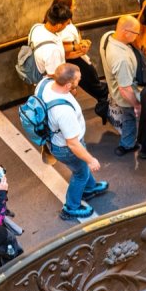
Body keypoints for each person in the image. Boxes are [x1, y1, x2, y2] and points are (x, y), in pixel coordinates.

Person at [32, 60, 106, 221]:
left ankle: (90, 188)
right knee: (80, 172)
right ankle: (71, 207)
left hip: (53, 140)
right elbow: (72, 143)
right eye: (78, 80)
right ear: (67, 85)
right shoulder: (63, 111)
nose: (80, 81)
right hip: (66, 148)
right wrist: (91, 159)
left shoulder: (45, 83)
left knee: (82, 169)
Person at [24, 0, 108, 122]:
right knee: (63, 118)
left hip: (39, 75)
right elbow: (56, 78)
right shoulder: (53, 52)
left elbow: (60, 44)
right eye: (66, 23)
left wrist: (75, 47)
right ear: (58, 25)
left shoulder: (37, 28)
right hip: (51, 87)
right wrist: (72, 88)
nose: (67, 26)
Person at [100, 15, 146, 154]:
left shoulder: (107, 36)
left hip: (115, 93)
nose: (137, 36)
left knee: (128, 119)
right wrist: (137, 105)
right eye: (136, 33)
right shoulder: (121, 59)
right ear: (125, 32)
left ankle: (126, 145)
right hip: (127, 97)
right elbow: (125, 89)